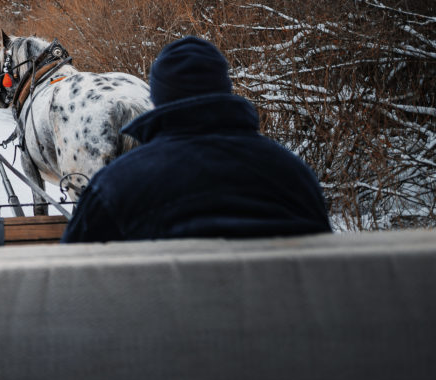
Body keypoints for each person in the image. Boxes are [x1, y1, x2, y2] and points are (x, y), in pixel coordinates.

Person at [61, 36, 331, 243]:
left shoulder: (114, 186)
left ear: (156, 99)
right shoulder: (292, 174)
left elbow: (74, 280)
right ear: (225, 89)